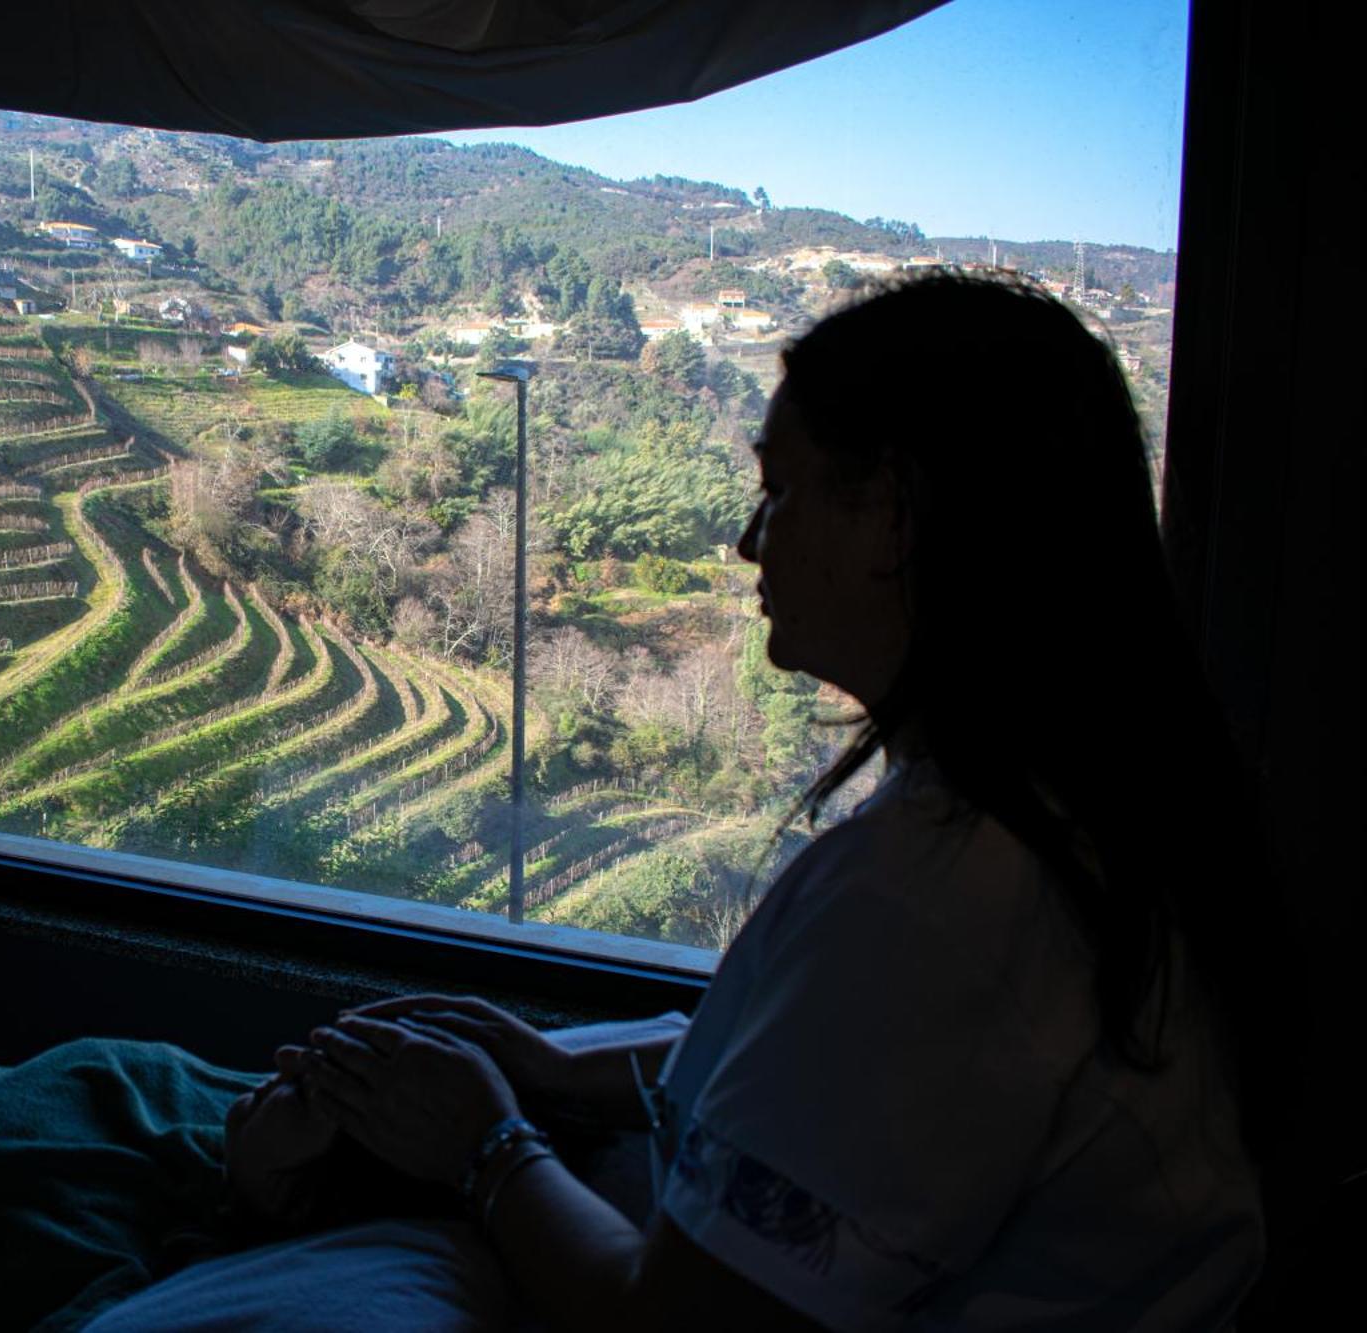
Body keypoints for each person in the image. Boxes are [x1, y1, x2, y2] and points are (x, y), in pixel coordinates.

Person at [226, 273, 1271, 1329]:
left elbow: (669, 1320)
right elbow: (814, 1093)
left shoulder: (934, 903)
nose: (745, 540)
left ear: (892, 517)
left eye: (779, 491)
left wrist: (487, 1148)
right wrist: (550, 1067)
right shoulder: (1062, 822)